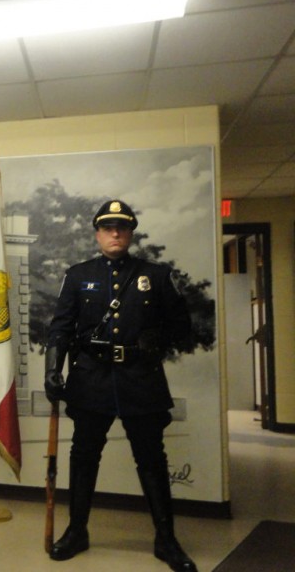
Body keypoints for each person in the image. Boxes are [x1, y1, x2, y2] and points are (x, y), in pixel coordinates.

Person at [44, 199, 197, 572]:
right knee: (83, 457)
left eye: (122, 228)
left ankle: (166, 540)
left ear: (130, 233)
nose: (115, 233)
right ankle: (77, 531)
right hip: (92, 378)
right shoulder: (78, 275)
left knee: (151, 460)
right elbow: (61, 328)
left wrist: (154, 339)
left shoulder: (156, 276)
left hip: (140, 378)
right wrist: (53, 369)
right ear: (97, 233)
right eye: (108, 228)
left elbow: (182, 326)